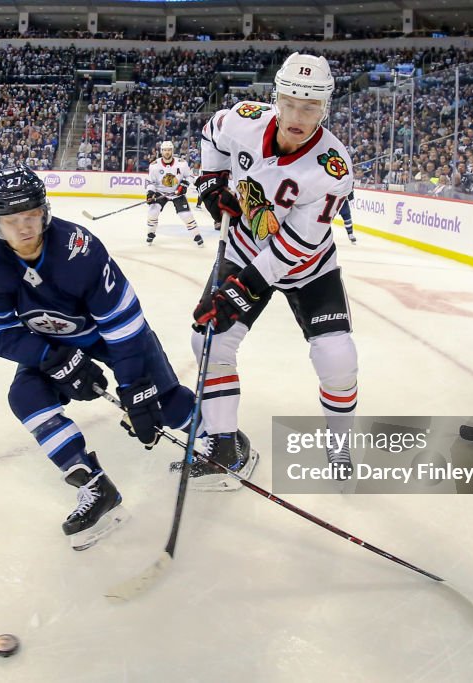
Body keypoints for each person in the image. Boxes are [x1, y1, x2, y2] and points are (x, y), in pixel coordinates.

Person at [0, 165, 230, 550]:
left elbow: (123, 325)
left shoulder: (78, 249)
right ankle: (95, 486)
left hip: (110, 338)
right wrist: (50, 357)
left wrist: (133, 388)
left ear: (45, 211)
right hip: (53, 346)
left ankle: (221, 445)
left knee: (163, 404)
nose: (24, 228)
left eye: (31, 216)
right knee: (26, 399)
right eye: (12, 220)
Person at [192, 52, 358, 479]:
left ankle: (339, 446)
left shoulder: (332, 168)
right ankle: (224, 445)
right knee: (209, 338)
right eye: (289, 102)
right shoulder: (245, 119)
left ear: (326, 107)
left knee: (337, 359)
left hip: (309, 266)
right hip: (246, 246)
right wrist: (212, 183)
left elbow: (297, 245)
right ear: (276, 97)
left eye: (311, 106)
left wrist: (241, 287)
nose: (298, 116)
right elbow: (212, 132)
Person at [144, 140, 203, 247]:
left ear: (172, 151)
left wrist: (184, 185)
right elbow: (151, 182)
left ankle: (197, 236)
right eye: (165, 150)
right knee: (153, 212)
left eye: (169, 150)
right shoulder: (154, 165)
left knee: (186, 216)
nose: (167, 152)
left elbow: (190, 176)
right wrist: (150, 193)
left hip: (177, 193)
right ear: (161, 151)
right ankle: (150, 233)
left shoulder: (181, 163)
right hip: (160, 192)